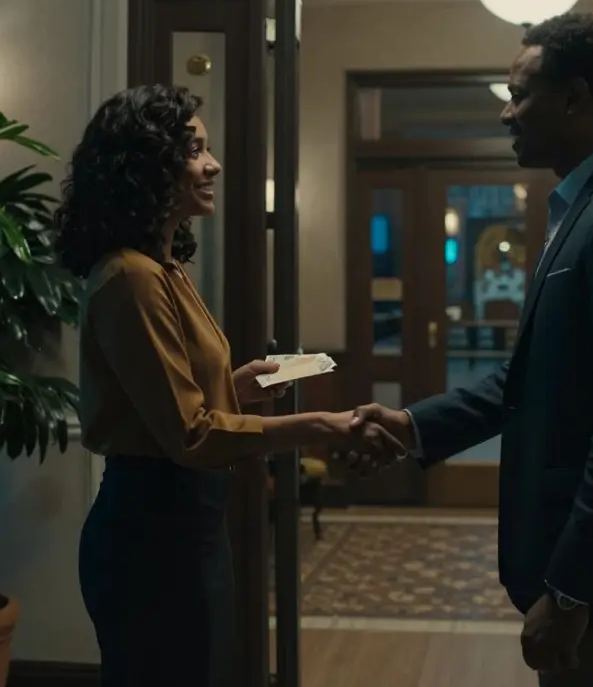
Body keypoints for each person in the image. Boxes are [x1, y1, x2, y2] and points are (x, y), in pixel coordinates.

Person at [350, 14, 593, 687]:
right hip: (588, 570)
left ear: (574, 97)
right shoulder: (586, 207)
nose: (506, 112)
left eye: (518, 93)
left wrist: (573, 591)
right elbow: (533, 380)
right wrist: (412, 425)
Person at [55, 84, 403, 687]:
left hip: (187, 524)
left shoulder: (162, 268)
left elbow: (170, 406)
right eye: (193, 151)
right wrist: (317, 426)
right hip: (153, 532)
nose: (211, 165)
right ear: (145, 164)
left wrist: (235, 386)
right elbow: (190, 435)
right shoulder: (131, 278)